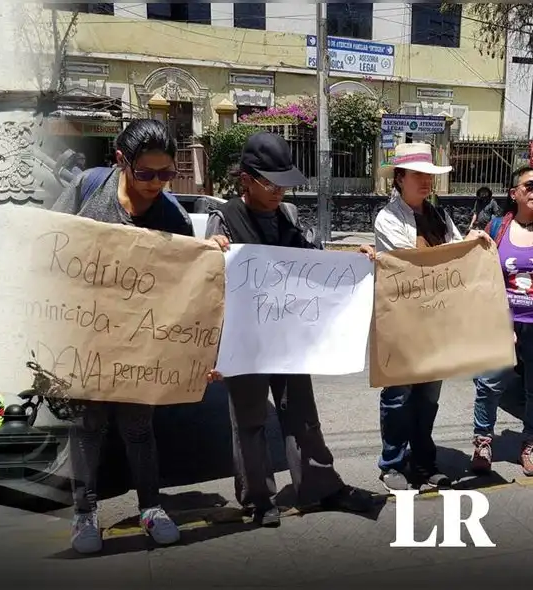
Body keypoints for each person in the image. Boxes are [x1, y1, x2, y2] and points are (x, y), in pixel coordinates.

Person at [206, 131, 375, 526]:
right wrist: (210, 251)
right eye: (272, 182)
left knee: (301, 413)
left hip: (290, 336)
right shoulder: (223, 219)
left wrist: (355, 257)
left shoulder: (289, 215)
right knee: (249, 421)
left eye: (285, 182)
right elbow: (207, 287)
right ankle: (258, 499)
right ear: (246, 180)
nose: (281, 191)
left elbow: (312, 261)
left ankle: (321, 486)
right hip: (245, 343)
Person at [50, 118, 191, 553]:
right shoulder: (89, 188)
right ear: (120, 161)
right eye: (146, 173)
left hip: (140, 342)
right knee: (88, 426)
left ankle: (151, 507)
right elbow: (47, 243)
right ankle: (84, 514)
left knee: (138, 428)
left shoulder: (174, 218)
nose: (156, 184)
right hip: (85, 335)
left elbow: (189, 288)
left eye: (166, 174)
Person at [374, 142, 492, 491]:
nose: (426, 182)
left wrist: (472, 244)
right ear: (399, 179)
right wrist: (462, 248)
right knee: (398, 397)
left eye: (429, 176)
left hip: (436, 323)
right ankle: (392, 462)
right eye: (418, 175)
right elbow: (416, 264)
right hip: (402, 323)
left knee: (427, 398)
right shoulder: (388, 219)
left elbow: (458, 256)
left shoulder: (439, 216)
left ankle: (423, 462)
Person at [471, 167, 533, 476]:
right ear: (515, 193)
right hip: (500, 321)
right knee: (489, 384)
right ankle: (483, 441)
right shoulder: (498, 227)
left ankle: (530, 444)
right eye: (530, 185)